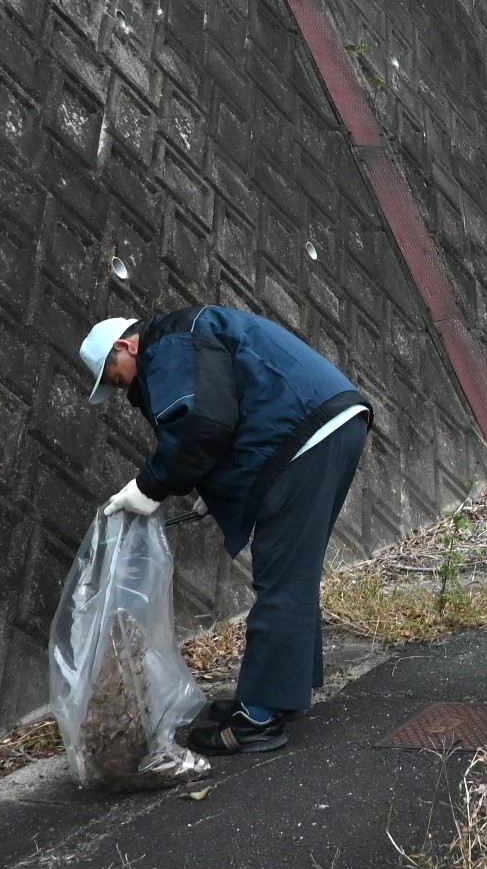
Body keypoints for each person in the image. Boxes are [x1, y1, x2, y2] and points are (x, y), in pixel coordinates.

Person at [78, 306, 370, 755]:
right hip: (328, 424)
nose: (125, 390)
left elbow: (203, 423)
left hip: (305, 436)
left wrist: (151, 485)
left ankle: (258, 719)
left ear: (126, 346)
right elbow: (232, 407)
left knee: (281, 578)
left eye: (117, 379)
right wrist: (214, 487)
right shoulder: (188, 334)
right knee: (293, 572)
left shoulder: (167, 345)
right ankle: (279, 696)